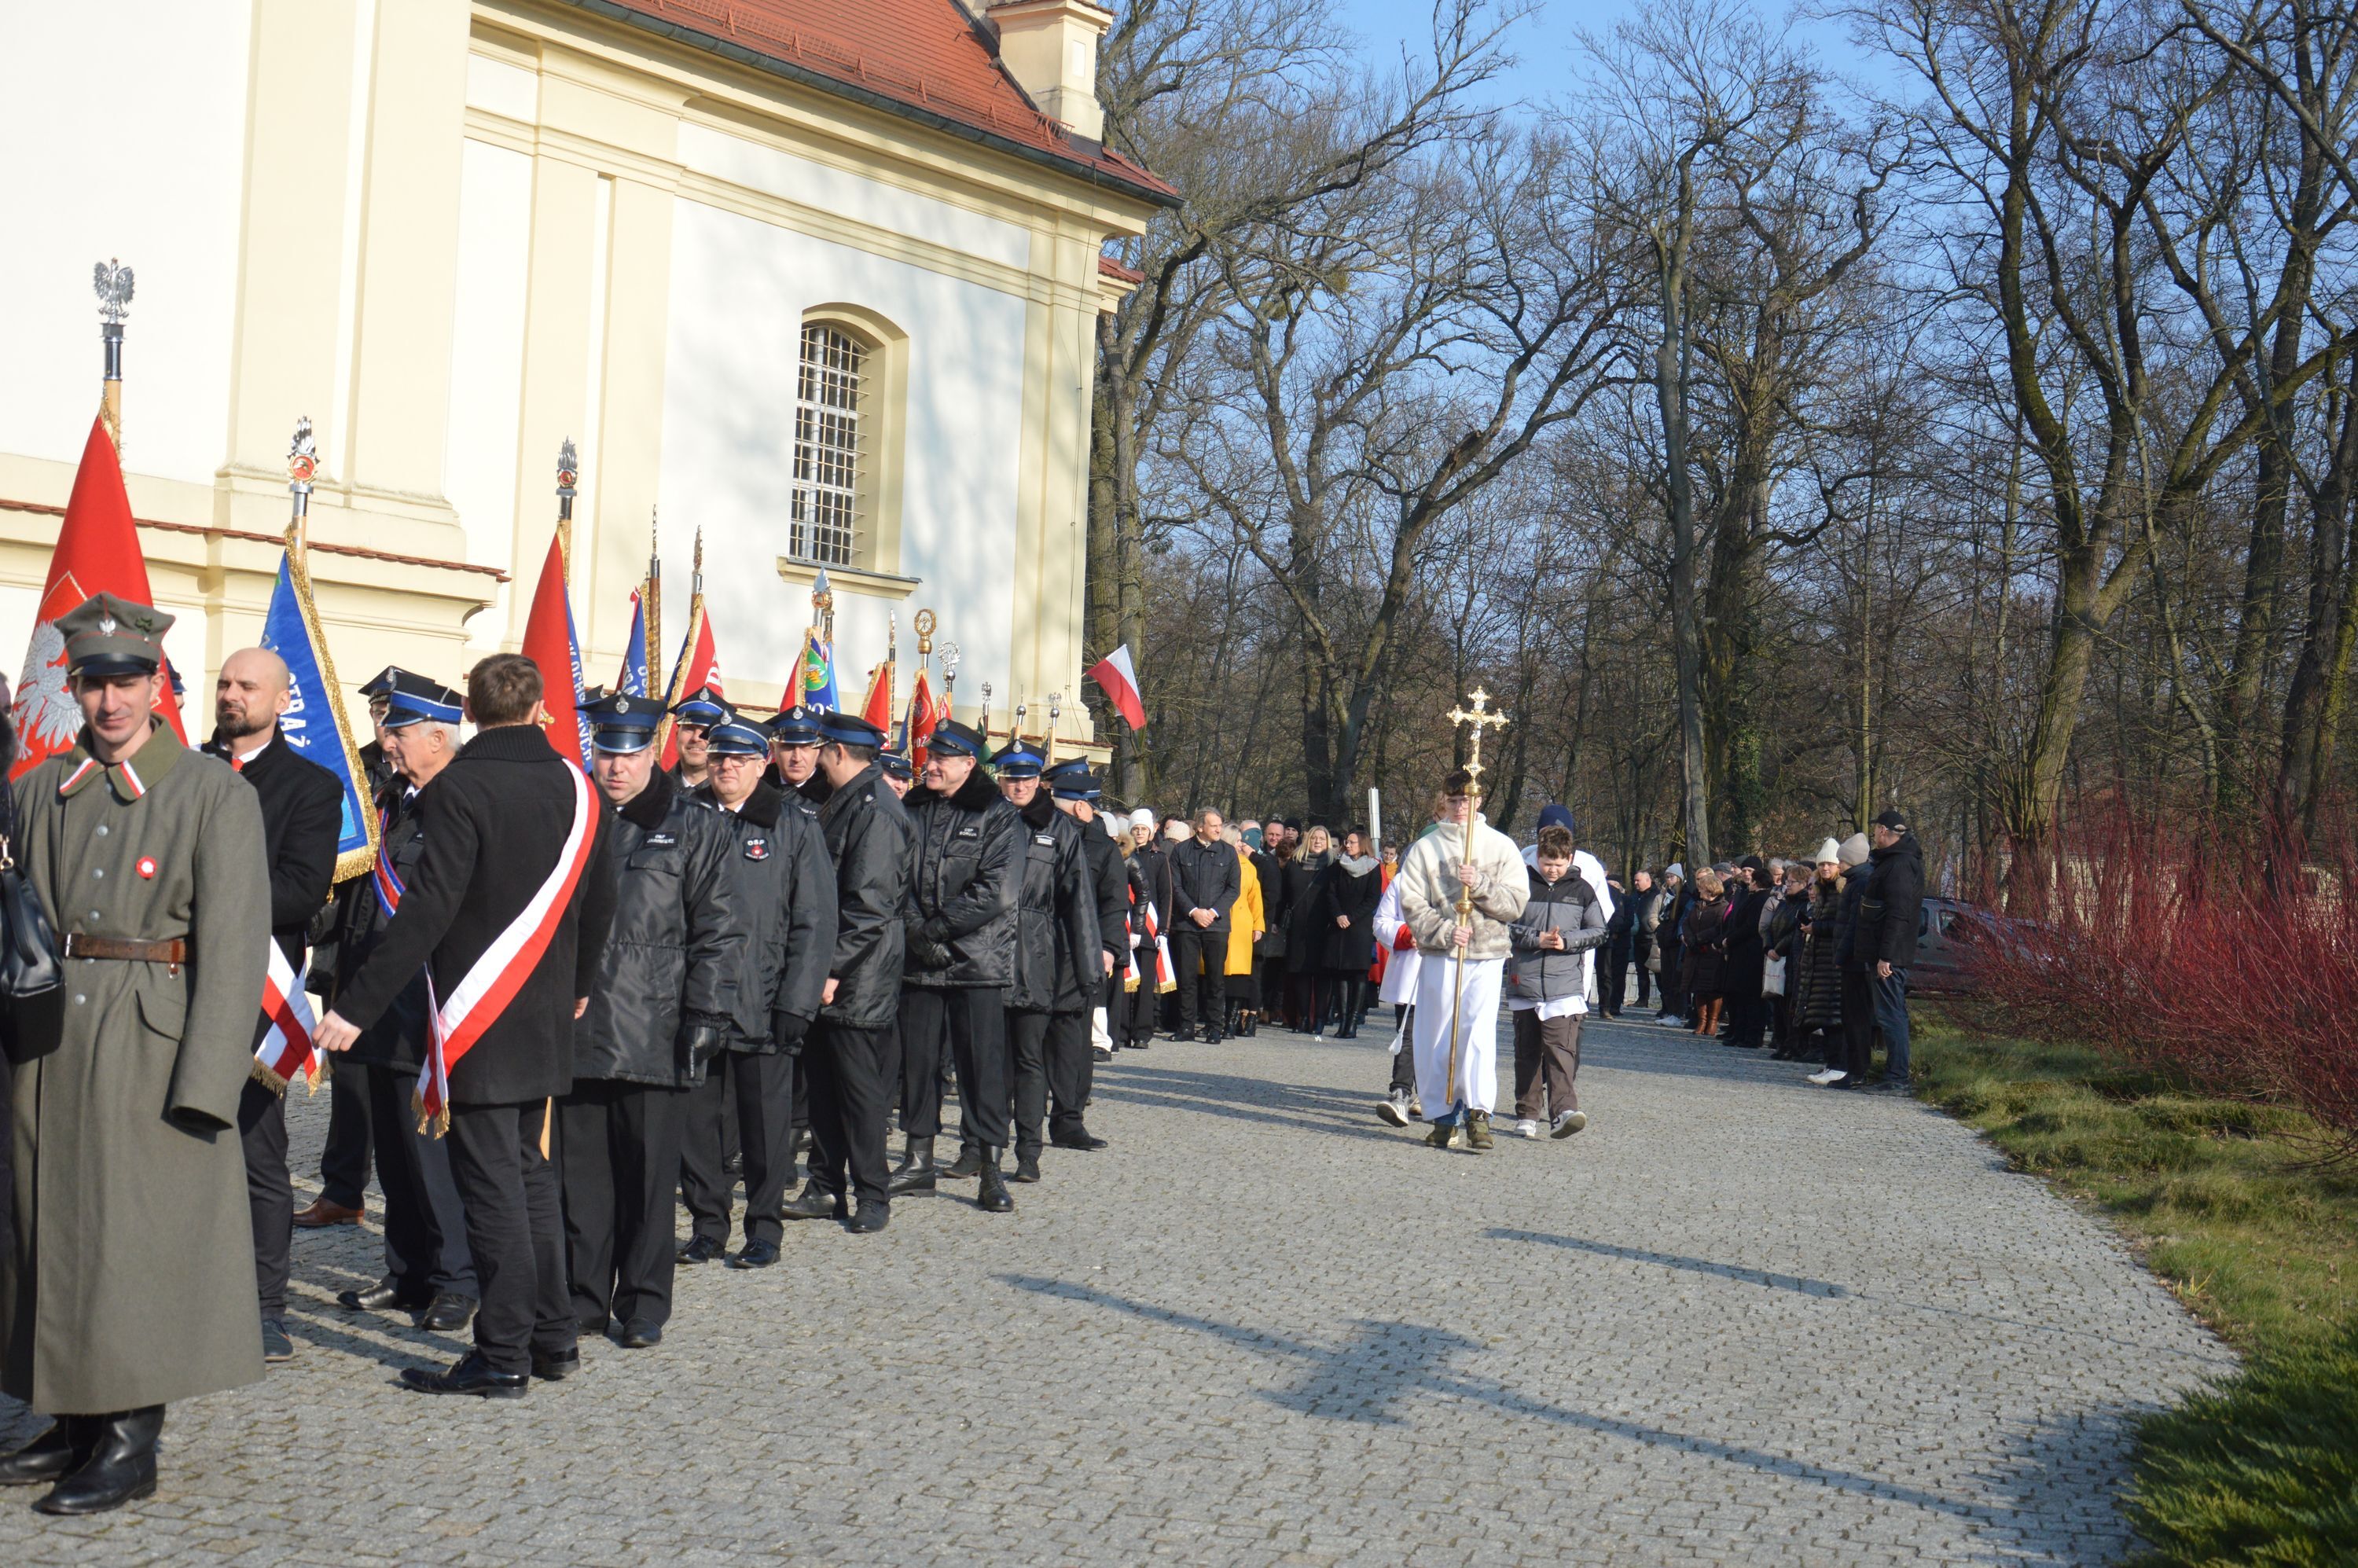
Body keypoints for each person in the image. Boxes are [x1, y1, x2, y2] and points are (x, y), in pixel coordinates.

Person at [0, 594, 270, 1514]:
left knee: (129, 1241)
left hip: (150, 1040)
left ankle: (127, 1440)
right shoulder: (39, 790)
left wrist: (209, 1081)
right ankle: (71, 1416)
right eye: (93, 684)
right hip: (49, 1042)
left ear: (157, 686)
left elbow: (235, 948)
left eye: (126, 683)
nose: (110, 702)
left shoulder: (213, 794)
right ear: (74, 688)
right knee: (46, 1229)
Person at [318, 653, 619, 1399]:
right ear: (539, 708)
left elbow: (428, 911)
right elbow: (599, 900)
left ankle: (504, 1352)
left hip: (476, 1018)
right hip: (544, 1014)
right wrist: (579, 988)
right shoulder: (579, 787)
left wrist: (355, 1006)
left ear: (472, 714)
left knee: (491, 1191)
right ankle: (553, 1338)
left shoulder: (460, 788)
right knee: (531, 1180)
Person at [557, 691, 744, 1349]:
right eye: (606, 752)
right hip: (577, 1025)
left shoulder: (695, 825)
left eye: (630, 754)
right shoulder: (572, 818)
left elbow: (719, 930)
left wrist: (706, 1012)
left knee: (647, 1179)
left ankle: (643, 1303)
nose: (616, 767)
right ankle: (582, 1298)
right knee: (581, 1180)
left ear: (650, 753)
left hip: (654, 1027)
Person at [204, 647, 346, 1368]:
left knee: (258, 1153)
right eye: (225, 683)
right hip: (171, 988)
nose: (231, 694)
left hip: (256, 996)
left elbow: (301, 889)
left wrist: (202, 897)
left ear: (282, 699)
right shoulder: (187, 771)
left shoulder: (310, 786)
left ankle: (264, 1307)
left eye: (247, 685)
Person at [325, 672, 479, 1333]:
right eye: (388, 729)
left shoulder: (457, 804)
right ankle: (407, 1271)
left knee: (432, 1158)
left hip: (428, 1007)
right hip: (376, 1003)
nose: (386, 741)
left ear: (438, 737)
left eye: (399, 731)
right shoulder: (392, 800)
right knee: (392, 1154)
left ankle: (456, 1279)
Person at [684, 712, 835, 1263]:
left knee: (765, 1125)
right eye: (719, 757)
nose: (726, 766)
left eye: (740, 758)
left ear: (761, 763)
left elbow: (814, 919)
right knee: (697, 1125)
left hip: (764, 999)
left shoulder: (794, 826)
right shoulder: (684, 815)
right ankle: (707, 1225)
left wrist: (798, 1000)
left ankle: (764, 1229)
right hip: (693, 999)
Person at [891, 720, 1020, 1212]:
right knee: (918, 1063)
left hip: (975, 960)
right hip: (919, 959)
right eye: (930, 756)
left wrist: (936, 931)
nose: (931, 765)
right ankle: (917, 1160)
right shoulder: (912, 808)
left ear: (969, 764)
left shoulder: (996, 813)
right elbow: (894, 877)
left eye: (942, 758)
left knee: (980, 1067)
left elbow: (997, 890)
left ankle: (990, 1167)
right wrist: (916, 932)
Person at [795, 714, 913, 1231]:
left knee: (860, 1091)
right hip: (837, 968)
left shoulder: (875, 810)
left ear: (839, 752)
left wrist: (831, 969)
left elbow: (870, 906)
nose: (815, 757)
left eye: (821, 749)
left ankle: (872, 1193)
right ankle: (825, 1185)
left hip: (857, 974)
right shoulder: (848, 799)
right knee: (823, 1085)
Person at [1392, 770, 1529, 1150]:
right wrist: (1444, 931)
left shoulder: (1500, 846)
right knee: (1437, 1033)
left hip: (1485, 954)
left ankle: (1478, 1113)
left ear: (1478, 800)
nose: (1459, 807)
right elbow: (1412, 903)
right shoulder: (1426, 848)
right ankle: (1442, 1114)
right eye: (1452, 801)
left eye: (1465, 800)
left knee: (1477, 1033)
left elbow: (1516, 903)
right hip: (1442, 954)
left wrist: (1480, 884)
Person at [992, 741, 1100, 1184]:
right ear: (1000, 779)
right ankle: (981, 1149)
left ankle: (1028, 1152)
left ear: (1039, 781)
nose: (1019, 786)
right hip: (986, 957)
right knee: (988, 1063)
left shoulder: (1060, 829)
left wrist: (1089, 966)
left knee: (1028, 1060)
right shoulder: (984, 821)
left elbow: (1080, 902)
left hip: (1037, 957)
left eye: (1027, 778)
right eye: (1011, 778)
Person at [1506, 824, 1607, 1138]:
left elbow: (1599, 931)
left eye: (1559, 864)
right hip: (1526, 982)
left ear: (1570, 859)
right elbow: (1505, 926)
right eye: (1548, 863)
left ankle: (1563, 1111)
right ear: (1538, 857)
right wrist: (1537, 939)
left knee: (1561, 1052)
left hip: (1564, 985)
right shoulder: (1521, 884)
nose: (1553, 870)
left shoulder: (1583, 890)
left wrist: (1567, 942)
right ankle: (1527, 1113)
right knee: (1527, 1053)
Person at [1045, 758, 1125, 1143]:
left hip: (1081, 954)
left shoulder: (1103, 847)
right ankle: (1023, 1119)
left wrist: (1109, 948)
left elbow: (1114, 902)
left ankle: (1068, 1119)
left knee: (1074, 1042)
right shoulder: (1038, 833)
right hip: (1037, 949)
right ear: (1081, 806)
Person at [1854, 808, 1925, 1092]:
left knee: (1891, 1014)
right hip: (1885, 952)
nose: (1874, 834)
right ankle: (1894, 1073)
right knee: (1889, 1013)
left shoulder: (1899, 865)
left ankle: (1897, 1076)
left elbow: (1898, 913)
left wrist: (1886, 956)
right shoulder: (1896, 861)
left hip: (1889, 957)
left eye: (1875, 830)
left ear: (1883, 830)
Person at [1167, 809, 1239, 1043]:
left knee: (1215, 979)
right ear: (1200, 827)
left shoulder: (1228, 852)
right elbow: (1175, 886)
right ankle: (1186, 1026)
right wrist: (1194, 911)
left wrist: (1213, 912)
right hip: (1187, 924)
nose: (1219, 829)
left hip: (1217, 925)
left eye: (1220, 825)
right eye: (1214, 825)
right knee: (1186, 978)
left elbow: (1233, 889)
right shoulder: (1181, 850)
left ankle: (1215, 1027)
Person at [1305, 828, 1380, 1037]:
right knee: (1341, 974)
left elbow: (1372, 899)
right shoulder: (1339, 866)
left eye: (1352, 842)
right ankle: (1343, 1020)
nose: (1348, 845)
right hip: (1339, 926)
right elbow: (1331, 894)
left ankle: (1353, 1022)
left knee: (1358, 974)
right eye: (1347, 841)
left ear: (1362, 844)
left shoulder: (1373, 868)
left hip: (1359, 928)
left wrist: (1351, 918)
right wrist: (1338, 915)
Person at [1368, 843, 1423, 1123]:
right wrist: (1404, 934)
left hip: (1446, 971)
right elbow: (1381, 921)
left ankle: (1429, 1093)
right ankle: (1400, 1092)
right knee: (1408, 1033)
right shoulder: (1402, 882)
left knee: (1439, 1038)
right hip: (1411, 970)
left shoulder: (1457, 883)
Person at [1794, 842, 1849, 1079]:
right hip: (1819, 961)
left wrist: (1817, 928)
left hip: (1833, 962)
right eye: (1822, 864)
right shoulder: (1822, 889)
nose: (1825, 868)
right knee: (1823, 1017)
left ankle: (1839, 1065)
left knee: (1834, 1017)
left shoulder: (1841, 890)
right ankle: (1832, 1063)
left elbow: (1842, 924)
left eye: (1830, 864)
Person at [1825, 832, 1876, 1089]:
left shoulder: (1860, 883)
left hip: (1856, 962)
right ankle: (1855, 1068)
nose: (1839, 864)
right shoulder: (1856, 882)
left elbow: (1853, 925)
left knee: (1856, 1018)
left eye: (1842, 860)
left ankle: (1857, 1070)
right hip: (1853, 960)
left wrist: (1841, 954)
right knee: (1852, 1017)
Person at [1120, 807, 1173, 1049]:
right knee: (1125, 982)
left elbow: (1166, 895)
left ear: (1151, 831)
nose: (1140, 833)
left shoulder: (1159, 858)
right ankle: (1121, 1030)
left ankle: (1142, 1032)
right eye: (1136, 829)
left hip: (1150, 928)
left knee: (1145, 985)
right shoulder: (1122, 855)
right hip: (1126, 924)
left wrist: (1163, 929)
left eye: (1144, 829)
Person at [1719, 855, 1771, 1049]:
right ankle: (1739, 1031)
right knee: (1739, 995)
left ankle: (1751, 1035)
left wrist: (1730, 939)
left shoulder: (1761, 899)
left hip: (1751, 952)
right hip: (1740, 951)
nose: (1748, 877)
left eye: (1751, 874)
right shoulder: (1747, 895)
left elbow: (1751, 926)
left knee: (1751, 997)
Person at [1764, 860, 1812, 1058]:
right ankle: (1781, 1042)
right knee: (1779, 1003)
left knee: (1791, 1005)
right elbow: (1770, 926)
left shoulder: (1804, 905)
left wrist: (1779, 948)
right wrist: (1768, 946)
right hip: (1777, 957)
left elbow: (1796, 930)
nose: (1788, 885)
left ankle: (1793, 1045)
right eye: (1787, 881)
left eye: (1792, 882)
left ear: (1803, 883)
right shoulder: (1784, 903)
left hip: (1792, 957)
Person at [1223, 831, 1265, 1037]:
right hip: (1219, 922)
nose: (1241, 844)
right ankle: (1216, 1019)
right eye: (1238, 840)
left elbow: (1255, 898)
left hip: (1241, 926)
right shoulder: (1218, 862)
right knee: (1216, 975)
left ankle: (1231, 1022)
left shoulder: (1248, 867)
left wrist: (1258, 925)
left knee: (1238, 977)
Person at [1681, 868, 1731, 1038]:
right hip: (1695, 953)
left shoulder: (1722, 907)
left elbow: (1718, 928)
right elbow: (1686, 923)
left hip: (1712, 953)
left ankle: (1713, 1021)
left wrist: (1699, 938)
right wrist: (1690, 938)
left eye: (1702, 888)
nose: (1699, 890)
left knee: (1713, 989)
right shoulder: (1698, 906)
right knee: (1698, 989)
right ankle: (1701, 1021)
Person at [665, 687, 726, 792]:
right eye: (689, 728)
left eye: (707, 731)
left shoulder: (734, 796)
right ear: (677, 735)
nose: (696, 738)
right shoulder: (653, 792)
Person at [1655, 864, 1690, 1026]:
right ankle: (1670, 1011)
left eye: (1672, 877)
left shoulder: (1683, 897)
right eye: (1667, 877)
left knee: (1676, 980)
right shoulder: (1669, 896)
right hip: (1667, 942)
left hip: (1675, 944)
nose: (1668, 880)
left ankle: (1677, 1012)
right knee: (1667, 979)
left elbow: (1679, 921)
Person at [1600, 872, 1633, 1018]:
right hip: (1605, 941)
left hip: (1621, 942)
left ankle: (1616, 1005)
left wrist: (1616, 930)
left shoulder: (1626, 899)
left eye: (1614, 885)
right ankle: (1604, 1005)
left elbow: (1629, 920)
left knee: (1619, 976)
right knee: (1604, 974)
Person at [1627, 869, 1660, 1013]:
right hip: (1638, 937)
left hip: (1652, 938)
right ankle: (1642, 999)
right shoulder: (1634, 896)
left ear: (1648, 880)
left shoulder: (1656, 895)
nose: (1635, 883)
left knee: (1658, 971)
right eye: (1634, 880)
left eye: (1638, 880)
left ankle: (1665, 1001)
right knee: (1641, 971)